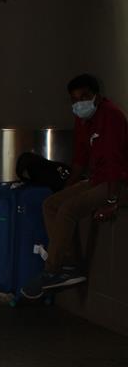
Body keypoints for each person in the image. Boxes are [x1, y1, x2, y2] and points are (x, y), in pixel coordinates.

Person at [21, 73, 128, 299]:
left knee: (68, 210)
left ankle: (52, 270)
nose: (79, 103)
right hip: (98, 178)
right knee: (51, 204)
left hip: (118, 182)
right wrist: (67, 188)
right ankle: (67, 263)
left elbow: (115, 164)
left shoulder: (112, 117)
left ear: (97, 97)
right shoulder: (83, 120)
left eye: (84, 97)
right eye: (74, 99)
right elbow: (80, 159)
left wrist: (112, 201)